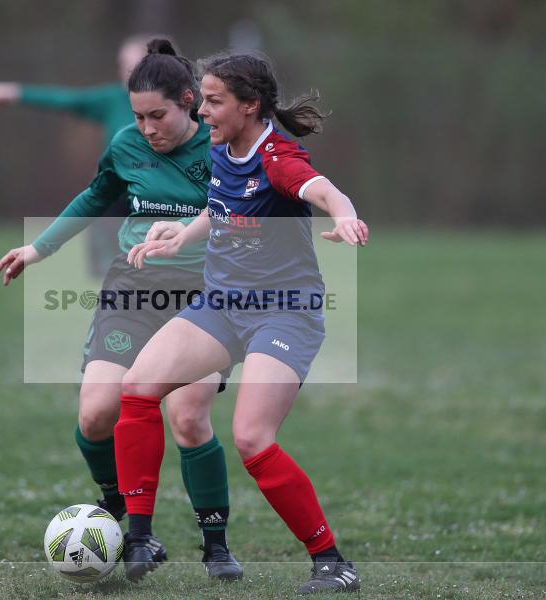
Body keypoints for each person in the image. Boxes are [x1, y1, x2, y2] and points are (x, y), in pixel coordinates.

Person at [114, 51, 369, 594]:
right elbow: (224, 205)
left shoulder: (276, 156)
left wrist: (344, 214)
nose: (200, 111)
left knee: (252, 438)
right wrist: (182, 235)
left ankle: (331, 561)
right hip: (223, 305)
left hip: (284, 312)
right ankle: (139, 539)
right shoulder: (223, 148)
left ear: (249, 106)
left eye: (213, 101)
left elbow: (319, 188)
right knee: (136, 388)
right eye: (202, 100)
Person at [0, 39, 243, 582]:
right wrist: (38, 249)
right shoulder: (127, 144)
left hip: (205, 295)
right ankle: (121, 509)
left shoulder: (223, 149)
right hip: (133, 289)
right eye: (139, 117)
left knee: (187, 415)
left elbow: (248, 211)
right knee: (95, 414)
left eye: (159, 115)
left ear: (190, 102)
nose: (148, 128)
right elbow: (94, 196)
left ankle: (215, 545)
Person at [0, 36, 147, 277]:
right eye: (123, 64)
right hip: (115, 198)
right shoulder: (114, 100)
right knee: (110, 274)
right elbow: (67, 100)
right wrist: (14, 93)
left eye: (134, 65)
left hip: (153, 201)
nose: (126, 72)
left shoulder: (182, 110)